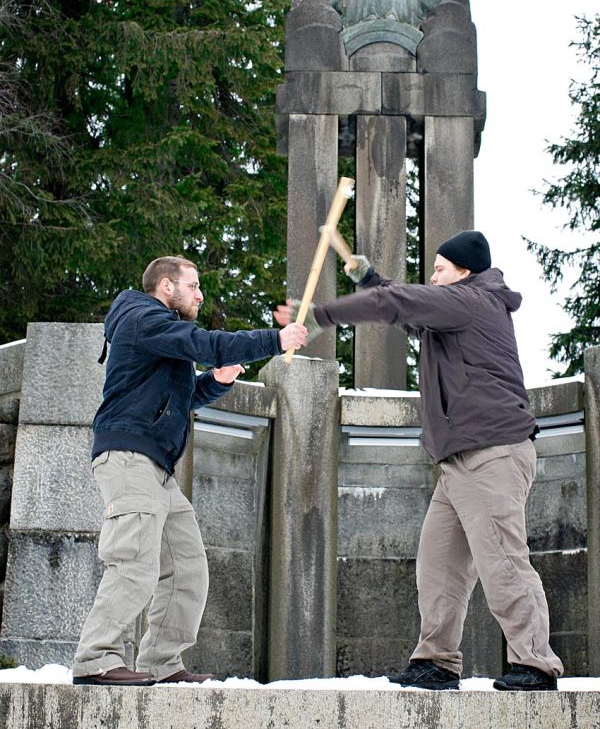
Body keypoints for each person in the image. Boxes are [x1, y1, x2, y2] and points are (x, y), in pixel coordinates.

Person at [274, 231, 564, 692]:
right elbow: (408, 310)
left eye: (440, 269)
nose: (433, 277)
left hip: (491, 452)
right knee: (439, 567)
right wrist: (370, 278)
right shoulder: (454, 311)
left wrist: (321, 315)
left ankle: (536, 663)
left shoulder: (472, 301)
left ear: (464, 272)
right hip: (459, 461)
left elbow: (399, 303)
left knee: (503, 563)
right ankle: (437, 661)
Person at [73, 255, 307, 687]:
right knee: (133, 562)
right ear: (166, 286)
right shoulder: (144, 318)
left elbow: (181, 400)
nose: (200, 295)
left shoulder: (159, 331)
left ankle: (162, 662)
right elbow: (207, 344)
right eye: (193, 286)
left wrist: (217, 382)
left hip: (157, 468)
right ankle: (96, 659)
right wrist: (275, 339)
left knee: (188, 568)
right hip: (129, 457)